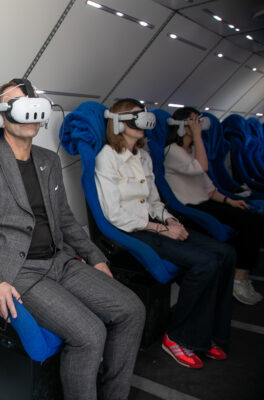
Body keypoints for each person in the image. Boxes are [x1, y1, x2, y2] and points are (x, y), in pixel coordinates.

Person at [0, 79, 145, 400]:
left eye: (33, 103)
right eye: (19, 104)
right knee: (90, 334)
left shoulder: (48, 160)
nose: (30, 112)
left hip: (60, 262)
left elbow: (65, 218)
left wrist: (95, 257)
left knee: (132, 309)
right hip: (18, 271)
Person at [95, 98, 235, 369]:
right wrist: (160, 228)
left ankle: (207, 334)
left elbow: (154, 201)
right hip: (132, 230)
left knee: (225, 253)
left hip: (155, 223)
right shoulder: (107, 158)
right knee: (205, 263)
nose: (143, 123)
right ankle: (177, 336)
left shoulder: (144, 156)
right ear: (119, 122)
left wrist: (171, 221)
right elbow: (114, 214)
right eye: (136, 118)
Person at [164, 107, 264, 305]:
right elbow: (201, 168)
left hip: (206, 202)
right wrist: (198, 136)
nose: (199, 125)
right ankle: (239, 278)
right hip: (191, 208)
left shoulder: (193, 151)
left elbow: (208, 187)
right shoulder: (172, 151)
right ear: (183, 126)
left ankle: (239, 273)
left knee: (251, 216)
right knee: (251, 222)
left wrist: (229, 201)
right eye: (194, 121)